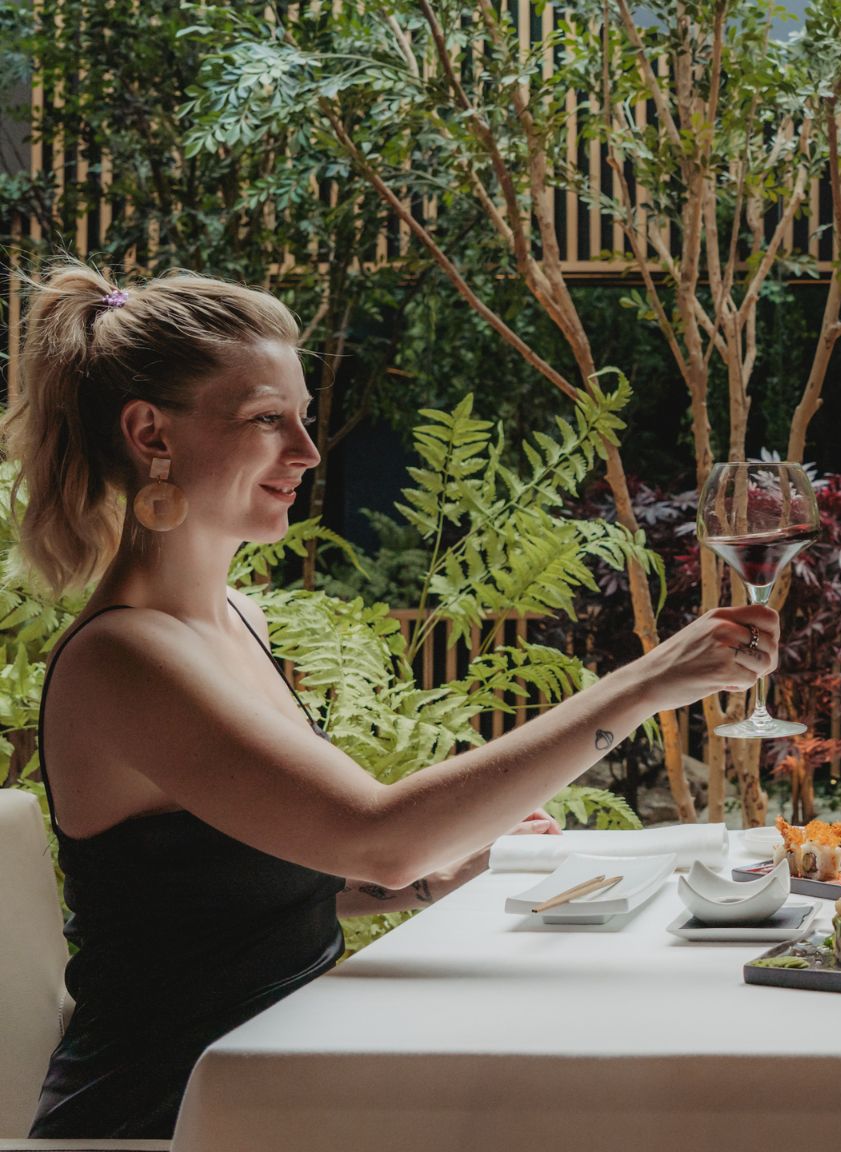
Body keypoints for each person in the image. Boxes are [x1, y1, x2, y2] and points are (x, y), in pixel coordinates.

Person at [2, 264, 777, 1139]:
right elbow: (382, 833)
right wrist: (648, 681)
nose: (305, 450)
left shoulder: (234, 620)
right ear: (151, 433)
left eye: (302, 417)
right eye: (267, 420)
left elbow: (207, 894)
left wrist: (416, 882)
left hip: (282, 1082)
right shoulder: (123, 658)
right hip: (168, 1116)